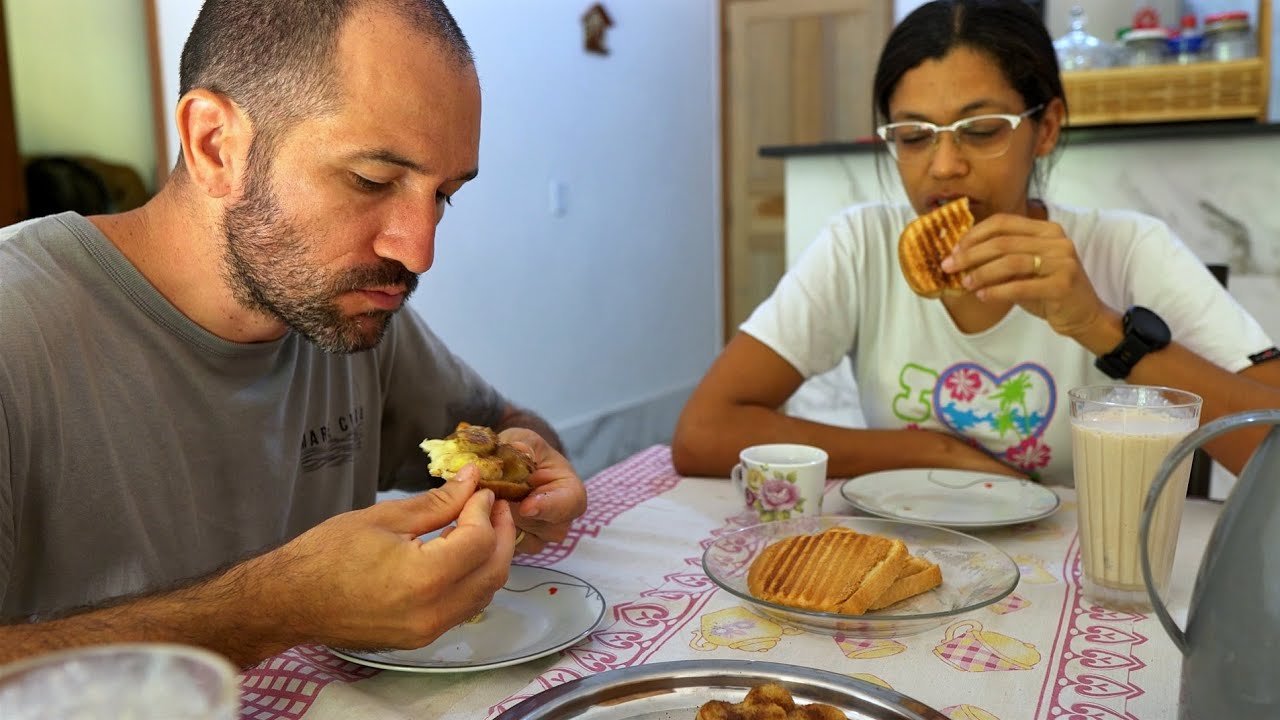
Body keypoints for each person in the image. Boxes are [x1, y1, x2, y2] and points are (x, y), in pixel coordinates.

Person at [0, 0, 587, 667]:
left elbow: (505, 425)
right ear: (214, 144)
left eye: (443, 194)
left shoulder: (344, 310)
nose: (419, 250)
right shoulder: (16, 329)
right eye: (372, 180)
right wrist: (275, 607)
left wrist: (529, 467)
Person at [673, 0, 1280, 485]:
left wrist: (1099, 325)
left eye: (981, 130)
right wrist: (930, 452)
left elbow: (1272, 448)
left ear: (1045, 128)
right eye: (913, 136)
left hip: (1081, 577)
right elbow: (703, 433)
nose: (942, 167)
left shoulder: (1126, 248)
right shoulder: (863, 244)